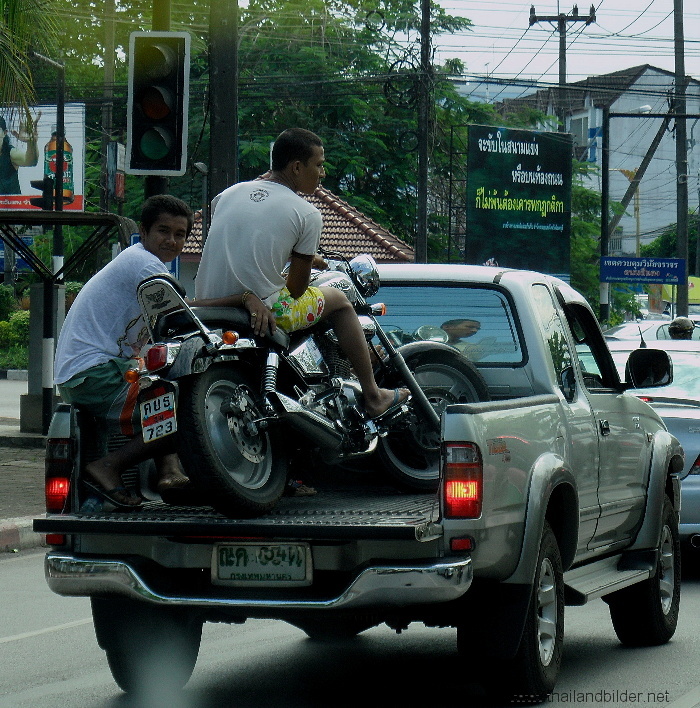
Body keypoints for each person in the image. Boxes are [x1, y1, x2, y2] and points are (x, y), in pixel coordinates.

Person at [194, 127, 408, 420]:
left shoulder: (227, 195)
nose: (322, 174)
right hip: (266, 309)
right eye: (318, 165)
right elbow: (296, 290)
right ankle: (372, 395)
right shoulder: (307, 214)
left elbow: (248, 247)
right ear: (296, 167)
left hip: (209, 305)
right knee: (339, 300)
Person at [53, 195, 194, 508]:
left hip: (90, 373)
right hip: (93, 373)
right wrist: (239, 300)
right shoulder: (143, 263)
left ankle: (169, 474)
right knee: (183, 411)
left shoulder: (141, 265)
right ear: (143, 232)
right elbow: (183, 314)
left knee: (163, 386)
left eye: (180, 234)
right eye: (163, 231)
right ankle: (108, 466)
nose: (171, 240)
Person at [0, 113, 40, 195]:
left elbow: (31, 161)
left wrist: (31, 142)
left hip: (11, 206)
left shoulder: (10, 153)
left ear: (5, 133)